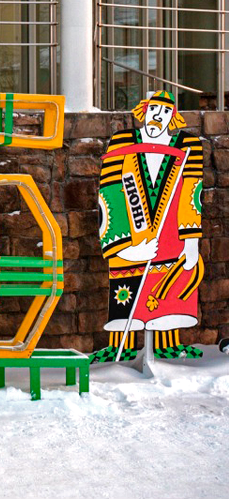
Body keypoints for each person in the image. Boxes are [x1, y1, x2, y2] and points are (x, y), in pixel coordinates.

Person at [92, 91, 203, 362]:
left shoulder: (188, 145)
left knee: (168, 291)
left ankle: (167, 345)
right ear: (144, 110)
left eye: (165, 112)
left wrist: (191, 241)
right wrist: (123, 247)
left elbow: (192, 191)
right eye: (154, 109)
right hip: (131, 234)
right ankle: (122, 347)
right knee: (127, 292)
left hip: (172, 235)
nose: (158, 116)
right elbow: (110, 191)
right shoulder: (123, 141)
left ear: (173, 117)